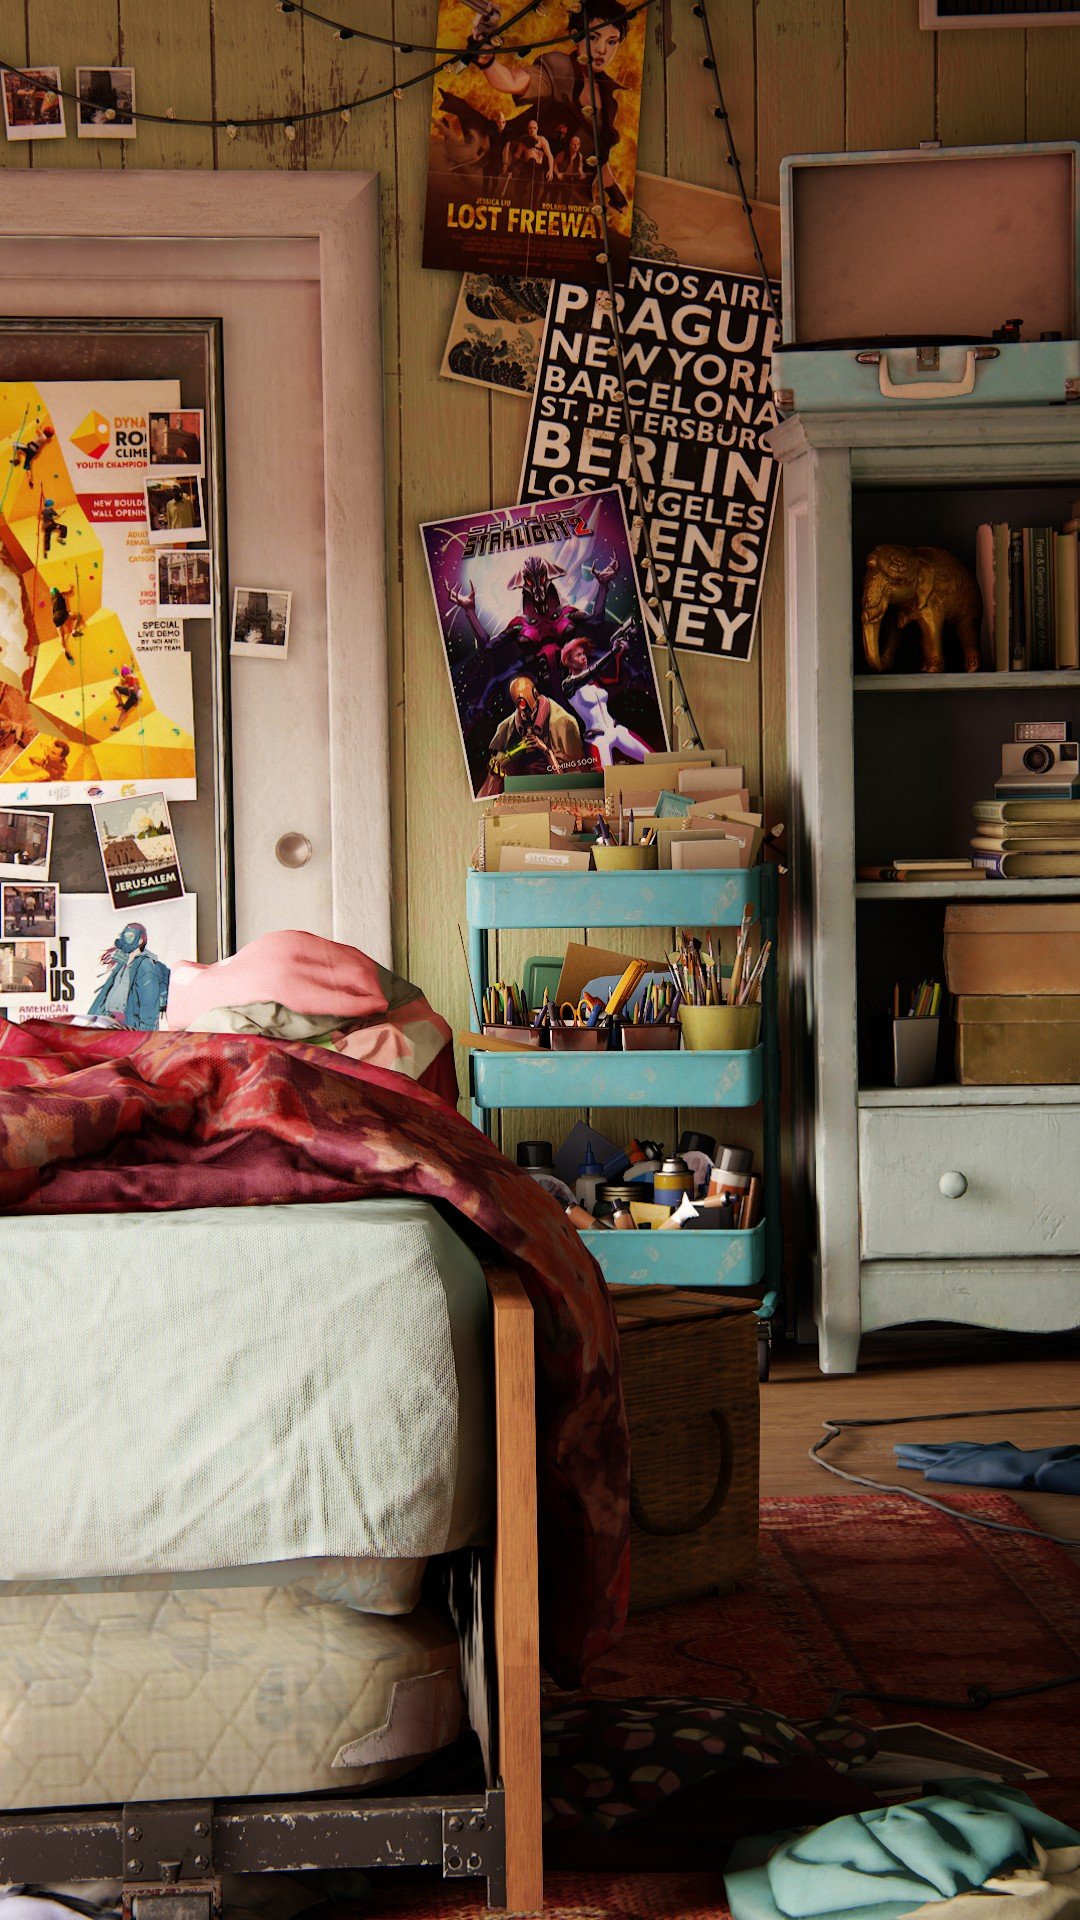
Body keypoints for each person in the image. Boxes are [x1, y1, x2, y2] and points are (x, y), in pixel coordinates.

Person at [475, 0, 632, 209]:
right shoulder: (560, 70)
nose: (602, 50)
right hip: (534, 189)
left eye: (612, 41)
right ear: (576, 35)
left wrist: (613, 191)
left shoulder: (610, 100)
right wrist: (486, 57)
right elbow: (512, 81)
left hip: (575, 203)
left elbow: (596, 155)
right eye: (594, 37)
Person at [479, 674, 585, 796]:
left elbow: (574, 781)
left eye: (530, 710)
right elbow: (491, 783)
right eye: (522, 710)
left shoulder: (562, 722)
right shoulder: (507, 728)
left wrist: (546, 751)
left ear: (535, 694)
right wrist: (507, 760)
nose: (526, 715)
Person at [560, 629, 650, 766]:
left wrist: (619, 656)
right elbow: (594, 670)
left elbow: (617, 681)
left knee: (652, 759)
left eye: (583, 654)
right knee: (607, 776)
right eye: (578, 655)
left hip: (616, 729)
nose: (584, 657)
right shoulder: (568, 685)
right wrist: (613, 652)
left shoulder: (593, 682)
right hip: (598, 739)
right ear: (569, 661)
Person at [87, 922, 171, 1032]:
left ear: (140, 941)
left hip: (128, 1025)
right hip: (112, 1021)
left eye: (130, 936)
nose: (125, 940)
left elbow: (149, 1003)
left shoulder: (145, 965)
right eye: (124, 935)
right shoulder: (123, 963)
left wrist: (146, 1033)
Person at [110, 664, 143, 731]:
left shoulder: (132, 677)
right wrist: (120, 675)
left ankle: (117, 727)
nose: (124, 677)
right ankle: (120, 703)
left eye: (124, 676)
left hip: (135, 695)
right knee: (116, 688)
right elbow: (123, 683)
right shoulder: (128, 677)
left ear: (127, 674)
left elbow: (135, 688)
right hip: (132, 692)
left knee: (124, 711)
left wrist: (132, 692)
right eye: (123, 676)